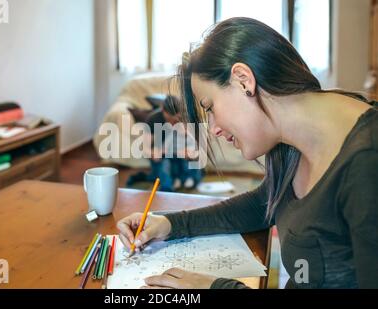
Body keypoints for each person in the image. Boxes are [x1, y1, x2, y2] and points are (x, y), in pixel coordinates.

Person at [117, 17, 378, 289]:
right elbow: (263, 204)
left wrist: (216, 287)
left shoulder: (367, 164)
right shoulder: (292, 141)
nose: (214, 129)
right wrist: (170, 224)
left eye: (210, 107)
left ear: (243, 80)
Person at [126, 95, 203, 192]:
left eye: (175, 120)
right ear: (163, 110)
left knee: (194, 172)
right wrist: (153, 154)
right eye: (169, 119)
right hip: (163, 157)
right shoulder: (153, 119)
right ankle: (167, 189)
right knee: (165, 170)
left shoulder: (185, 118)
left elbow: (197, 145)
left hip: (181, 156)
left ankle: (182, 180)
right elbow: (145, 149)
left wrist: (191, 152)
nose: (172, 123)